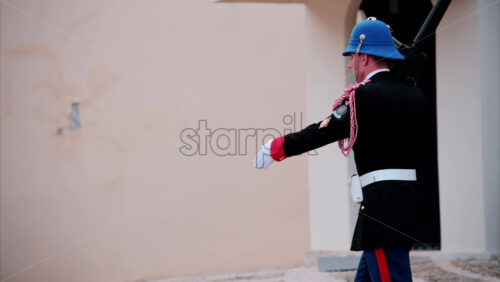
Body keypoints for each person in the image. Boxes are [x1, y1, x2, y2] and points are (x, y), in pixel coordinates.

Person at [253, 18, 431, 281]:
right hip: (405, 202)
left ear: (366, 57)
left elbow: (324, 130)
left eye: (353, 56)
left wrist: (278, 147)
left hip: (382, 207)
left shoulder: (364, 96)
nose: (350, 63)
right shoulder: (415, 95)